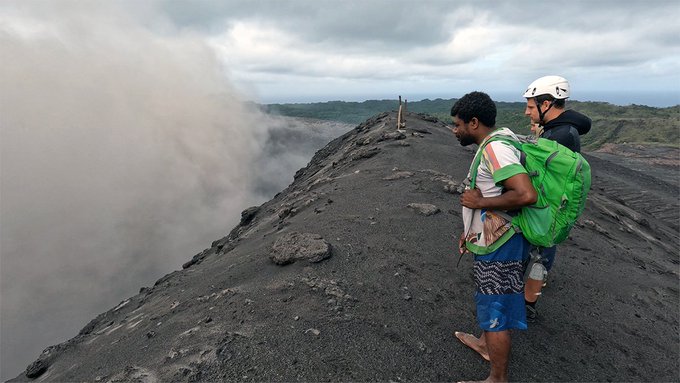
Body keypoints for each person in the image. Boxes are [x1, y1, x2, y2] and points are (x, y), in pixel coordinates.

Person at [451, 91, 537, 382]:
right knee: (492, 300)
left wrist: (478, 204)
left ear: (474, 123)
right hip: (495, 238)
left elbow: (525, 193)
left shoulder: (495, 149)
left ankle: (497, 379)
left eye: (458, 124)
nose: (455, 130)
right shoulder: (496, 143)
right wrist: (469, 232)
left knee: (495, 308)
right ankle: (484, 343)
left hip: (502, 245)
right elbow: (495, 191)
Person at [522, 75, 591, 321]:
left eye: (531, 106)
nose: (526, 112)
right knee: (542, 253)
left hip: (547, 210)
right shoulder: (560, 130)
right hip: (551, 209)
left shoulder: (560, 137)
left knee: (539, 256)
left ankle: (527, 305)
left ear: (547, 103)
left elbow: (544, 178)